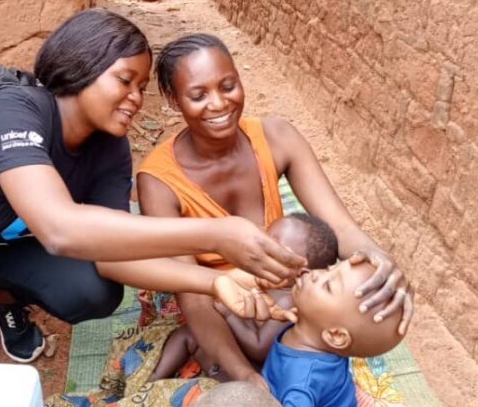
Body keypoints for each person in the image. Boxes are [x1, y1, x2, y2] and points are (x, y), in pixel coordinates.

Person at [0, 11, 306, 364]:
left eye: (143, 86)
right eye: (125, 80)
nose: (136, 97)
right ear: (83, 65)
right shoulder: (13, 110)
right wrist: (216, 233)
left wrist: (216, 281)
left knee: (94, 289)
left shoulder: (110, 148)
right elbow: (60, 228)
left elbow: (110, 254)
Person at [135, 32, 414, 386]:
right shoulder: (159, 180)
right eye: (198, 95)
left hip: (284, 293)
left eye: (228, 85)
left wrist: (382, 263)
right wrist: (246, 376)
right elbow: (194, 299)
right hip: (215, 298)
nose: (219, 104)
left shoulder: (278, 137)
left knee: (335, 330)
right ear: (174, 101)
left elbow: (340, 229)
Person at [149, 212, 339, 381]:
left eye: (274, 246)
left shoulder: (289, 301)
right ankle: (154, 378)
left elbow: (259, 348)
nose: (260, 247)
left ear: (302, 274)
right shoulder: (257, 280)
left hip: (254, 370)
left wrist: (227, 314)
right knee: (188, 332)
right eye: (264, 238)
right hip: (228, 351)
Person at [261, 260, 404, 406]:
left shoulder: (301, 384)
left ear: (336, 336)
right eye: (328, 269)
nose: (316, 273)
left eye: (328, 286)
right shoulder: (309, 327)